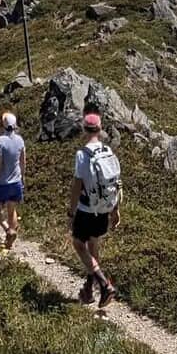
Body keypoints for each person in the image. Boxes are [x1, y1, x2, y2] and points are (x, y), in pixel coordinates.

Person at [69, 111, 121, 309]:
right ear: (99, 129)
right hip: (104, 209)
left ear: (84, 129)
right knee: (93, 247)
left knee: (79, 245)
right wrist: (115, 210)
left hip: (86, 209)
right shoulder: (108, 151)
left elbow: (76, 186)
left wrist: (71, 212)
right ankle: (89, 290)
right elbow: (116, 184)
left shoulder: (82, 155)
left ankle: (103, 284)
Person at [0, 111, 25, 249]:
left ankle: (7, 230)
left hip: (3, 182)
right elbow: (23, 162)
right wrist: (23, 179)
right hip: (16, 181)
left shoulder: (0, 141)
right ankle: (11, 239)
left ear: (3, 125)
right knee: (12, 209)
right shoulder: (20, 140)